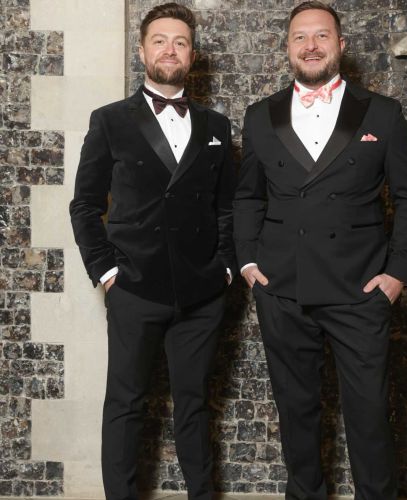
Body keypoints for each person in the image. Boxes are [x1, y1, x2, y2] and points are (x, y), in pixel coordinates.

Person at [233, 2, 407, 499]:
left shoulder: (382, 112)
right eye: (300, 37)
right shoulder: (260, 115)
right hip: (282, 288)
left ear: (341, 45)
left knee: (368, 416)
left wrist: (397, 274)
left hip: (359, 288)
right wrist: (249, 261)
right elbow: (248, 196)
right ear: (287, 48)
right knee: (295, 413)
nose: (311, 45)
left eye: (321, 36)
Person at [69, 3, 236, 499]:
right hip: (135, 288)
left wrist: (226, 268)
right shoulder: (109, 121)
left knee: (195, 404)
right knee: (125, 403)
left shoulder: (217, 126)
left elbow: (227, 206)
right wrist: (106, 271)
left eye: (180, 42)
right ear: (142, 51)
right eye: (159, 40)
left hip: (201, 293)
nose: (170, 49)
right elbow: (84, 205)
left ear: (192, 55)